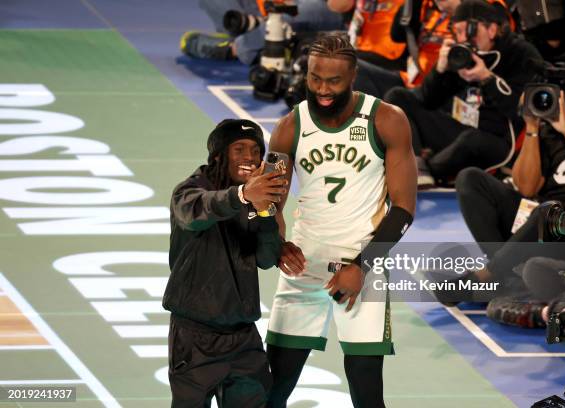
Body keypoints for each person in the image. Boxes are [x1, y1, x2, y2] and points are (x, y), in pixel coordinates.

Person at [264, 33, 418, 408]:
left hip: (361, 269)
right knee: (270, 391)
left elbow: (403, 209)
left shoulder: (387, 120)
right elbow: (269, 203)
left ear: (352, 77)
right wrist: (276, 242)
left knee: (367, 396)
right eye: (315, 78)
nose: (322, 89)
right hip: (303, 268)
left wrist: (362, 266)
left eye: (333, 80)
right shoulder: (289, 127)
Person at [436, 56, 565, 315]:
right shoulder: (551, 126)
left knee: (552, 210)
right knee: (471, 179)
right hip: (537, 225)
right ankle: (505, 274)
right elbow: (527, 187)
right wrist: (532, 129)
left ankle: (491, 275)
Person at [162, 119, 287, 407]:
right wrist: (243, 196)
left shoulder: (255, 199)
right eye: (239, 149)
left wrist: (266, 213)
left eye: (256, 151)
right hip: (195, 338)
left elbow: (267, 259)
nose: (250, 157)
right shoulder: (189, 192)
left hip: (242, 337)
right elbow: (199, 213)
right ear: (219, 154)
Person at [385, 0, 541, 187]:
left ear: (491, 29)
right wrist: (439, 71)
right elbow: (427, 100)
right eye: (457, 32)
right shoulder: (461, 53)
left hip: (495, 140)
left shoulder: (521, 53)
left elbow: (521, 110)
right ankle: (419, 164)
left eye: (466, 31)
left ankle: (423, 168)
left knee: (471, 140)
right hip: (457, 128)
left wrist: (487, 79)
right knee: (397, 97)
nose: (462, 39)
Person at [181, 0, 344, 65]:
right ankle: (257, 36)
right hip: (269, 8)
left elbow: (338, 5)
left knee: (286, 18)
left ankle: (235, 48)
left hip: (328, 8)